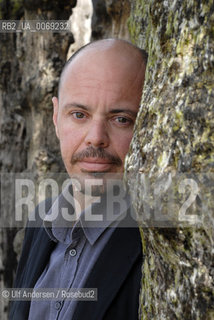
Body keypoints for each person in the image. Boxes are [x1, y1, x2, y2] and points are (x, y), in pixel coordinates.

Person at [9, 38, 147, 320]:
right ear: (56, 117)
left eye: (121, 119)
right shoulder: (41, 221)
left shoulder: (156, 238)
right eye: (79, 114)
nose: (96, 137)